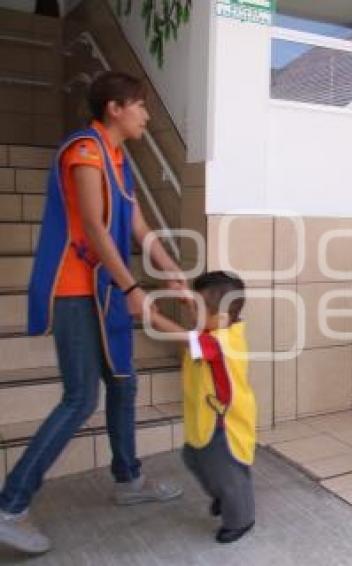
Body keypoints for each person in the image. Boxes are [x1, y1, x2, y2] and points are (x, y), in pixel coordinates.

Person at [0, 72, 185, 555]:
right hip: (75, 289)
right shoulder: (83, 151)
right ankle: (8, 505)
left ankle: (128, 480)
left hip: (103, 289)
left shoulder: (119, 158)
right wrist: (133, 287)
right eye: (141, 106)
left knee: (123, 383)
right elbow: (96, 231)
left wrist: (172, 271)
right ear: (115, 108)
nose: (147, 115)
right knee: (81, 397)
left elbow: (138, 225)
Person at [150, 271, 257, 544]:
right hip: (207, 416)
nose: (191, 313)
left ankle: (241, 519)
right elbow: (202, 319)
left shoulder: (220, 341)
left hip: (223, 421)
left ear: (219, 318)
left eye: (197, 308)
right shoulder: (216, 327)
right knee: (193, 458)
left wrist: (151, 316)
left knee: (229, 473)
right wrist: (186, 297)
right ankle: (222, 495)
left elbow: (189, 339)